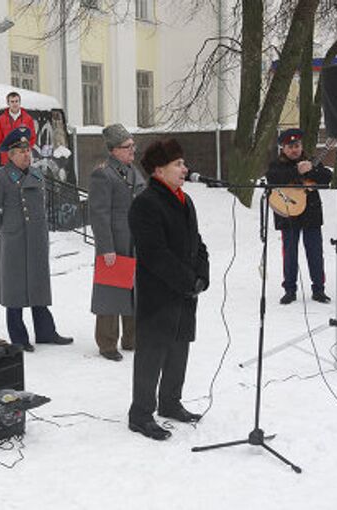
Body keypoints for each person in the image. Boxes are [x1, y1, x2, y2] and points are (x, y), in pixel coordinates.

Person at [127, 138, 209, 441]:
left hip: (185, 293)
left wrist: (202, 274)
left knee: (179, 348)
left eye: (183, 163)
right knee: (152, 353)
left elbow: (196, 242)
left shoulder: (185, 201)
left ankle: (170, 402)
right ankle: (141, 414)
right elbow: (154, 254)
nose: (185, 169)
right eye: (178, 164)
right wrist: (188, 281)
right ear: (159, 169)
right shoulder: (145, 204)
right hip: (159, 296)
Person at [0, 127, 73, 352]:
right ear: (11, 155)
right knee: (15, 292)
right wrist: (7, 230)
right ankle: (19, 337)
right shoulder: (0, 177)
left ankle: (45, 331)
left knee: (39, 286)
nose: (26, 155)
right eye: (21, 151)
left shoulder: (36, 174)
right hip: (14, 242)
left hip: (36, 241)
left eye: (27, 151)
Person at [89, 124, 146, 361]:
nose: (133, 150)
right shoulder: (103, 173)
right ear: (114, 150)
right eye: (127, 146)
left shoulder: (132, 170)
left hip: (134, 239)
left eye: (133, 145)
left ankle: (132, 338)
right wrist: (106, 248)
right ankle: (107, 344)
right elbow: (98, 213)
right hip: (115, 241)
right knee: (111, 291)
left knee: (134, 289)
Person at [265, 128, 332, 305]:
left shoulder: (311, 162)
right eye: (290, 146)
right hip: (288, 215)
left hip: (311, 215)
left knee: (315, 253)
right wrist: (297, 171)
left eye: (297, 145)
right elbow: (273, 178)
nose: (294, 149)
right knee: (289, 254)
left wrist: (310, 170)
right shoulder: (277, 165)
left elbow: (327, 178)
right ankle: (289, 289)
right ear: (283, 148)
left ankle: (319, 289)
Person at [0, 91, 37, 165]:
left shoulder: (27, 118)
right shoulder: (1, 119)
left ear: (20, 102)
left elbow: (33, 138)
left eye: (16, 101)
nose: (15, 104)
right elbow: (0, 140)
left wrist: (25, 148)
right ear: (8, 103)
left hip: (23, 159)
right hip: (7, 159)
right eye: (12, 101)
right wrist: (7, 151)